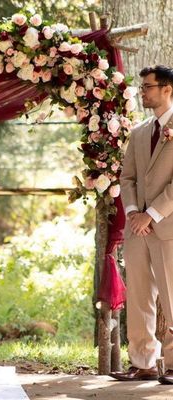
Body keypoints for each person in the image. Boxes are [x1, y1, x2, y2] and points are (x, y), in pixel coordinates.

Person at [110, 65, 173, 384]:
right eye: (142, 87)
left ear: (167, 90)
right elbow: (128, 177)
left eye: (148, 87)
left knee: (172, 295)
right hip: (137, 229)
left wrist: (153, 214)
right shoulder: (138, 132)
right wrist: (134, 212)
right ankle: (143, 362)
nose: (143, 92)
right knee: (138, 295)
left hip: (168, 227)